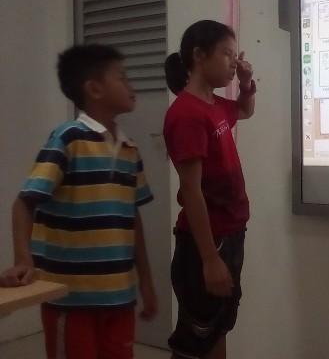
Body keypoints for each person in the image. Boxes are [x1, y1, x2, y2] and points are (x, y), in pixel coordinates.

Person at [0, 44, 157, 358]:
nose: (131, 86)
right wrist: (23, 260)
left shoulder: (130, 149)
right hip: (70, 299)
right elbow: (24, 202)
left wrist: (146, 282)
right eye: (122, 78)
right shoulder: (68, 138)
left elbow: (132, 219)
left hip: (119, 296)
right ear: (94, 89)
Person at [163, 20, 256, 359]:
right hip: (207, 242)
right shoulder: (187, 114)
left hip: (230, 234)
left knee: (219, 324)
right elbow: (191, 191)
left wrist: (245, 83)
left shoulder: (214, 105)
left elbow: (245, 110)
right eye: (227, 54)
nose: (234, 62)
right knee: (195, 337)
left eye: (235, 55)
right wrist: (209, 258)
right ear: (199, 55)